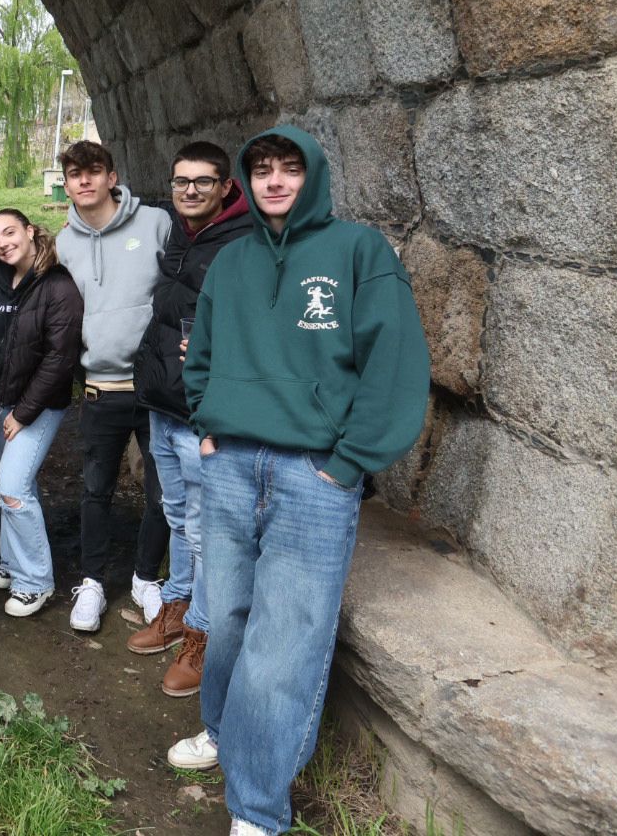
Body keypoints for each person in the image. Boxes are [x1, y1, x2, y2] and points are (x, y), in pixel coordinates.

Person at [165, 127, 430, 836]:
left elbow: (394, 365)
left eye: (288, 168)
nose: (274, 180)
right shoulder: (233, 261)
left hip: (313, 475)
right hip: (229, 464)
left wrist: (348, 460)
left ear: (312, 175)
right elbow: (203, 349)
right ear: (242, 184)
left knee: (287, 638)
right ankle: (224, 734)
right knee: (226, 620)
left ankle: (256, 808)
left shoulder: (357, 252)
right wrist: (205, 420)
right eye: (261, 169)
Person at [130, 141, 252, 697]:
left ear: (227, 187)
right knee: (175, 513)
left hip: (203, 410)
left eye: (204, 181)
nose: (191, 190)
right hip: (163, 401)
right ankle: (176, 605)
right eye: (182, 181)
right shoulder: (181, 232)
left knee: (206, 531)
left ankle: (203, 633)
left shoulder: (244, 241)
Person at [54, 139, 172, 634]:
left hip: (153, 389)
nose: (84, 180)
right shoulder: (65, 242)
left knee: (162, 493)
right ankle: (94, 582)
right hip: (101, 388)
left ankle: (147, 578)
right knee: (95, 490)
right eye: (75, 174)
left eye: (93, 171)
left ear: (111, 176)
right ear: (67, 184)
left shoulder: (154, 224)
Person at [0, 209, 83, 619]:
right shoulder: (0, 283)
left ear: (30, 231)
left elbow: (59, 359)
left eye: (10, 233)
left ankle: (35, 582)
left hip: (38, 406)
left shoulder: (58, 286)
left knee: (13, 489)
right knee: (14, 485)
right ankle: (12, 563)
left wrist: (25, 413)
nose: (2, 244)